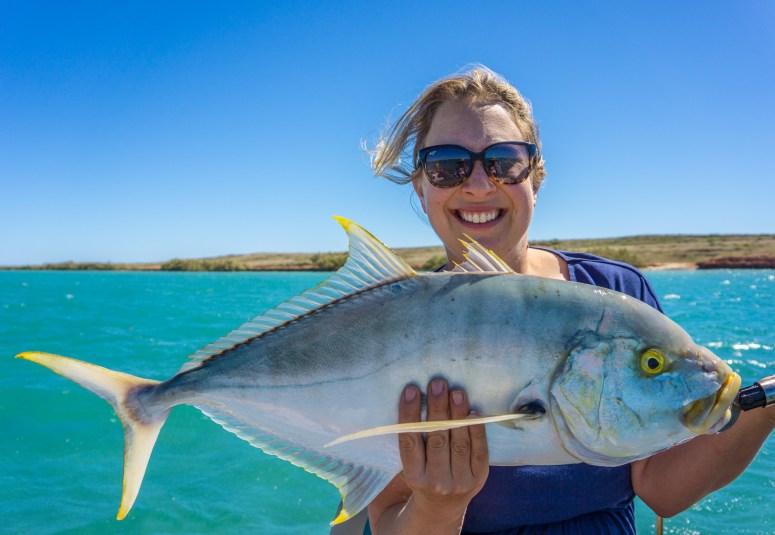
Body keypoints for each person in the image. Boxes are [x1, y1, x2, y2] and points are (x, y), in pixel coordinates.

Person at [363, 66, 775, 534]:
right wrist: (438, 505)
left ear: (536, 178)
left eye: (504, 161)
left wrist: (768, 406)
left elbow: (663, 489)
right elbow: (386, 520)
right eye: (446, 165)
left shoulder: (616, 296)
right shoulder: (382, 322)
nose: (477, 185)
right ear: (421, 187)